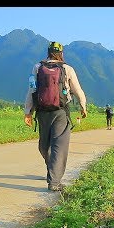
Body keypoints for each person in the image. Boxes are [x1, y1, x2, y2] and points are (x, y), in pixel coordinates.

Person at [24, 41, 87, 192]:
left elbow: (31, 90)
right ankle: (54, 182)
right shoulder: (67, 68)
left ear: (48, 52)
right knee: (59, 146)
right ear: (61, 53)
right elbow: (77, 90)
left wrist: (28, 111)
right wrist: (83, 106)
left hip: (42, 112)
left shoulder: (37, 67)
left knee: (44, 145)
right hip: (60, 112)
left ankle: (51, 172)